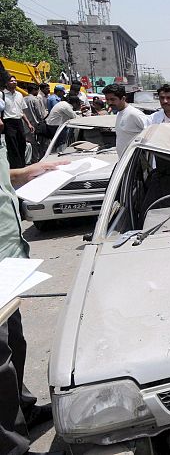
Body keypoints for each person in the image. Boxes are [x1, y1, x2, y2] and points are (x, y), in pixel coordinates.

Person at [0, 140, 65, 454]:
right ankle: (11, 446)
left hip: (9, 260)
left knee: (14, 342)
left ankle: (22, 409)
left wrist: (27, 173)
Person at [103, 83, 148, 156]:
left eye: (113, 99)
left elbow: (151, 135)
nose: (109, 103)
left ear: (123, 98)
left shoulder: (134, 114)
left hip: (136, 161)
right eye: (107, 99)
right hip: (124, 160)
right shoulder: (119, 113)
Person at [1, 76, 34, 168]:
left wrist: (28, 123)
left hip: (18, 122)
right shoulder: (2, 95)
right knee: (12, 146)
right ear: (6, 83)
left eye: (15, 80)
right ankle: (15, 167)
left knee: (22, 144)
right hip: (8, 122)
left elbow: (21, 112)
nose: (14, 82)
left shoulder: (19, 95)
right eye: (11, 81)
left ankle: (22, 166)